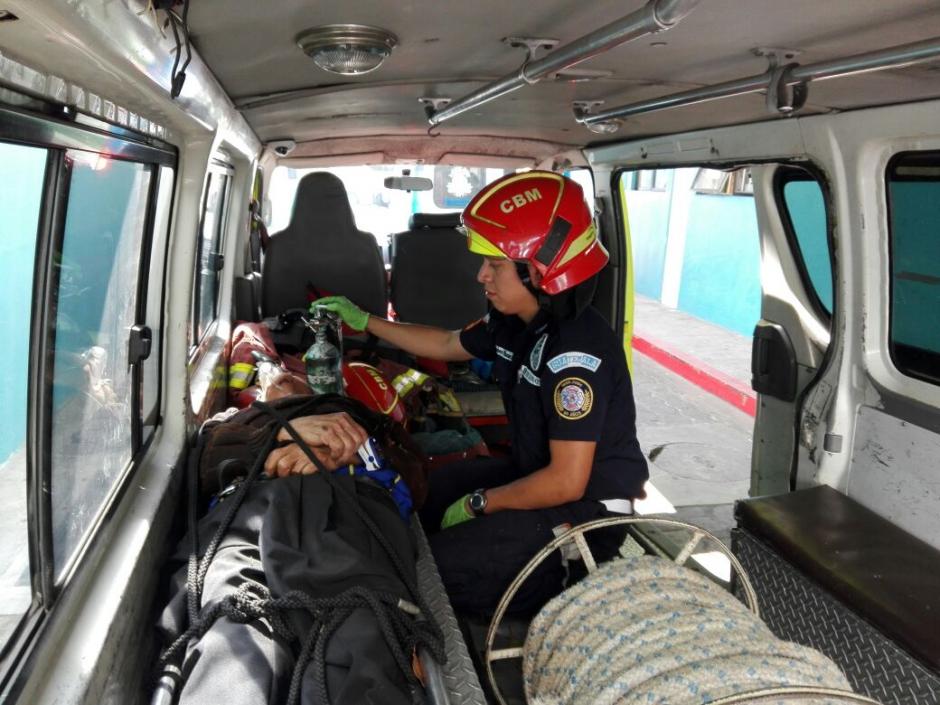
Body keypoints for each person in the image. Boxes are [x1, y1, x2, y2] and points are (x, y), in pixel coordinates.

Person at [315, 171, 648, 614]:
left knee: (437, 577)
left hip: (588, 513)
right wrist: (364, 320)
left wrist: (480, 503)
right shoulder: (515, 324)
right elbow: (446, 344)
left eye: (495, 265)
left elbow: (567, 481)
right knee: (424, 490)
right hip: (539, 476)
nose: (480, 275)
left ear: (537, 271)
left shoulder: (575, 357)